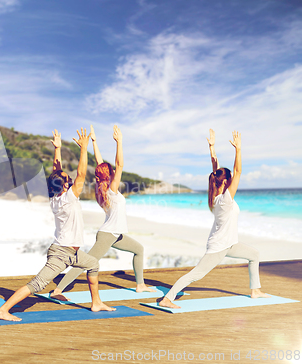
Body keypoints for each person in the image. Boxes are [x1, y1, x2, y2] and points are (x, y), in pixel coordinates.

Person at [0, 128, 116, 321]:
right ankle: (2, 310)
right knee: (38, 284)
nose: (71, 179)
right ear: (66, 185)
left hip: (72, 252)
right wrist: (84, 149)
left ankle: (96, 302)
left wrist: (57, 149)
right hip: (61, 253)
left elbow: (55, 173)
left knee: (93, 264)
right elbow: (82, 173)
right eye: (68, 179)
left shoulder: (55, 196)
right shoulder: (68, 198)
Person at [159, 130, 270, 309]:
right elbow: (238, 171)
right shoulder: (225, 200)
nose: (233, 179)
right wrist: (238, 150)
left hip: (230, 243)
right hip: (219, 246)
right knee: (197, 274)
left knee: (254, 255)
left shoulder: (215, 194)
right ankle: (167, 299)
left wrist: (212, 148)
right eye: (230, 179)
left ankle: (255, 290)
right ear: (226, 182)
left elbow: (215, 172)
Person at [51, 125, 155, 301]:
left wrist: (94, 142)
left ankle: (140, 285)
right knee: (86, 262)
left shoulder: (102, 189)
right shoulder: (112, 190)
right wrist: (119, 142)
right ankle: (58, 290)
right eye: (112, 173)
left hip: (115, 233)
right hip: (108, 235)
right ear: (110, 176)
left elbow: (101, 165)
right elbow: (119, 164)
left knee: (139, 249)